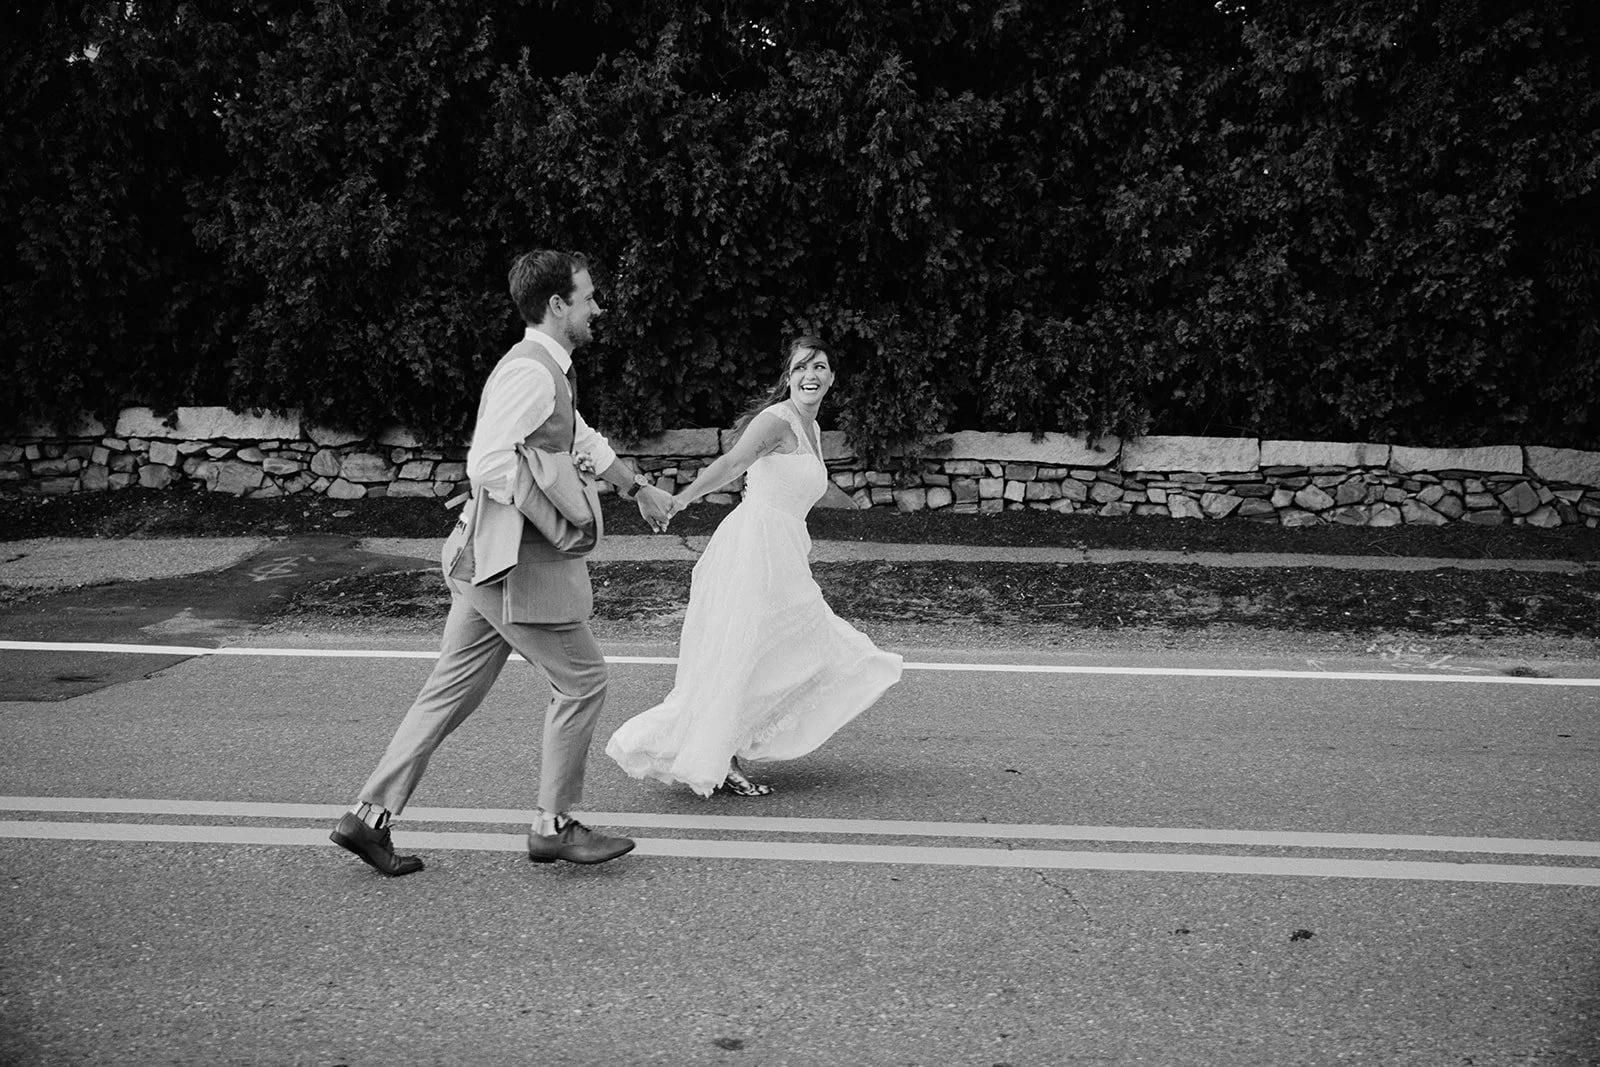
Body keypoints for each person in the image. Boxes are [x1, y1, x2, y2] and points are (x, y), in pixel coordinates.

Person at [330, 249, 675, 876]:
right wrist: (554, 500)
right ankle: (554, 825)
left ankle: (368, 818)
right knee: (584, 680)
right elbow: (486, 462)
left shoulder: (550, 369)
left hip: (481, 560)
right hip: (508, 566)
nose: (598, 307)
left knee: (448, 694)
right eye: (589, 296)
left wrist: (634, 487)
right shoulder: (532, 372)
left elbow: (577, 436)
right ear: (557, 305)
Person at [605, 337, 903, 797]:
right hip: (754, 548)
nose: (811, 375)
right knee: (748, 649)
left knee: (789, 646)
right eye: (802, 366)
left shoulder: (813, 428)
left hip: (783, 548)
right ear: (788, 377)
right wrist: (680, 500)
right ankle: (718, 754)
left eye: (820, 367)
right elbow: (731, 463)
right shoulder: (777, 421)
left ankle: (725, 745)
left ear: (831, 378)